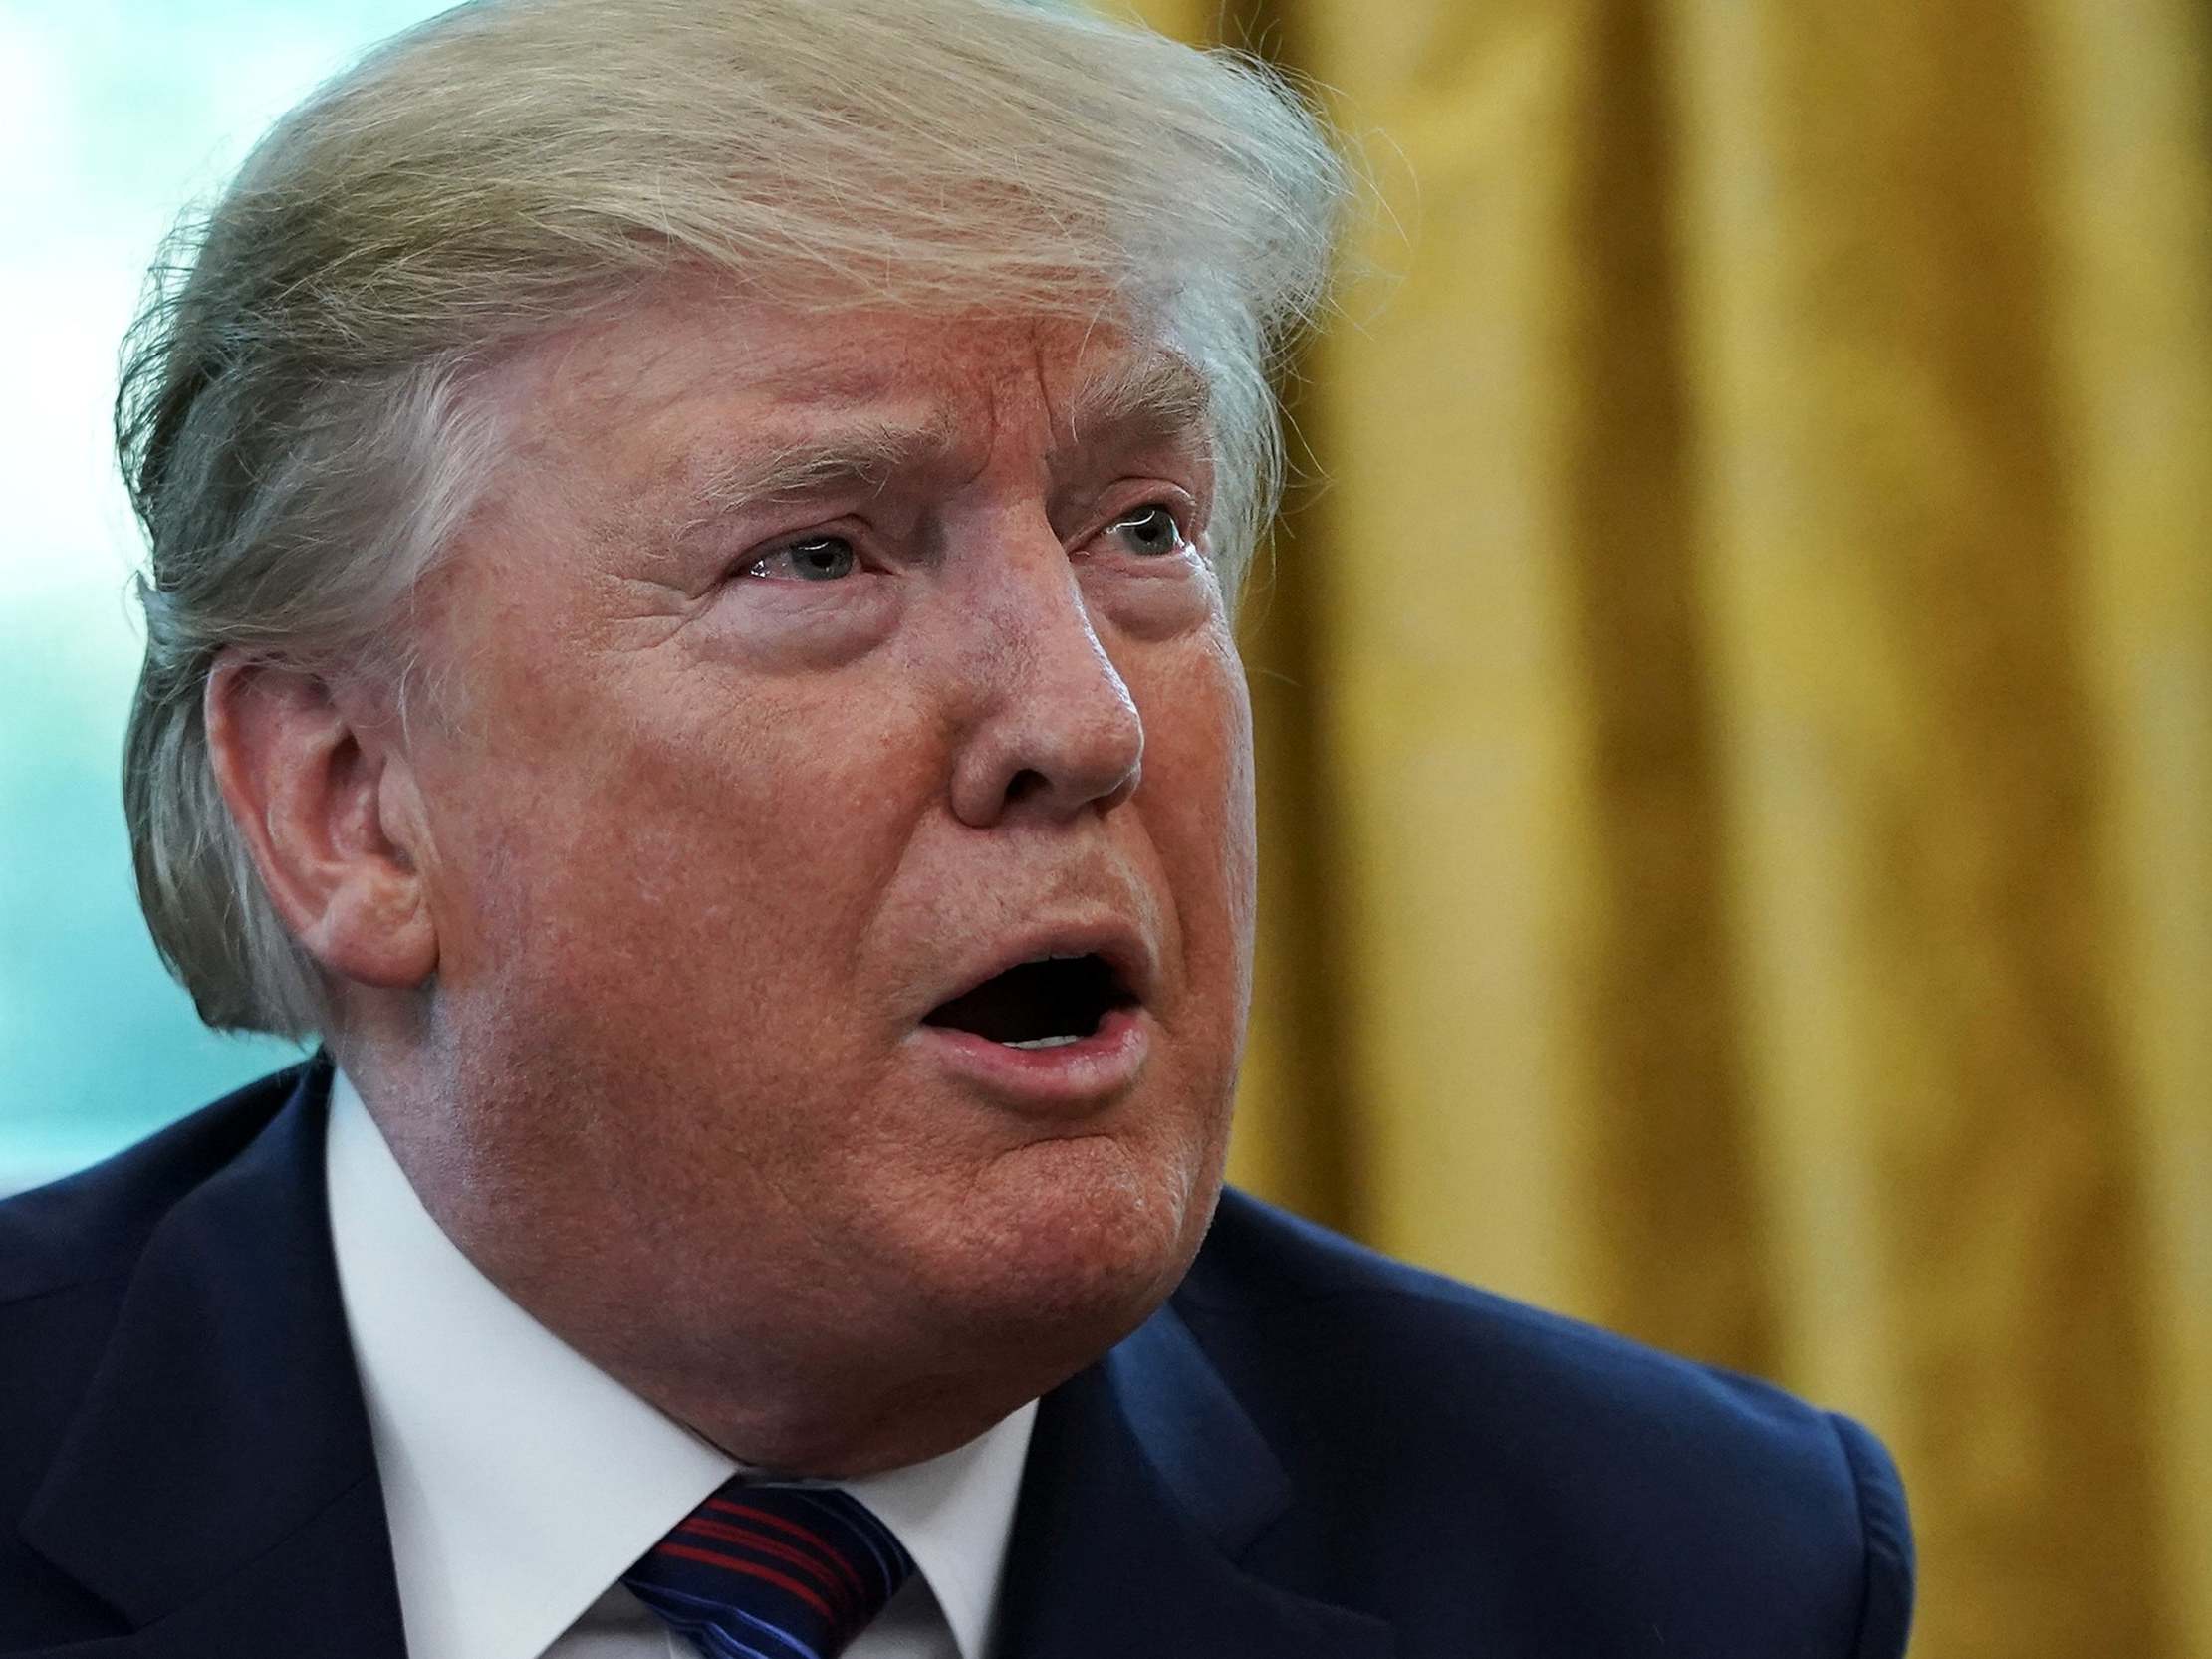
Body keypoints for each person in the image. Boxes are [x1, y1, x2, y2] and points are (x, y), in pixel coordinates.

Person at [0, 0, 1914, 1654]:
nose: (1081, 717)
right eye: (819, 555)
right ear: (350, 807)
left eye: (1141, 526)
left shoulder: (1681, 1569)